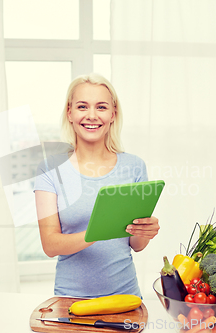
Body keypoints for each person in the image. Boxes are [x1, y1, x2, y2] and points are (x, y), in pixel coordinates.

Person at [34, 73, 160, 298]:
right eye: (82, 106)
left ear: (113, 114)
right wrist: (99, 230)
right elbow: (50, 245)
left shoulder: (134, 166)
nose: (91, 115)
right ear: (69, 113)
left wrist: (145, 230)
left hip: (125, 297)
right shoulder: (50, 169)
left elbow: (136, 244)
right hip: (70, 299)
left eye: (101, 107)